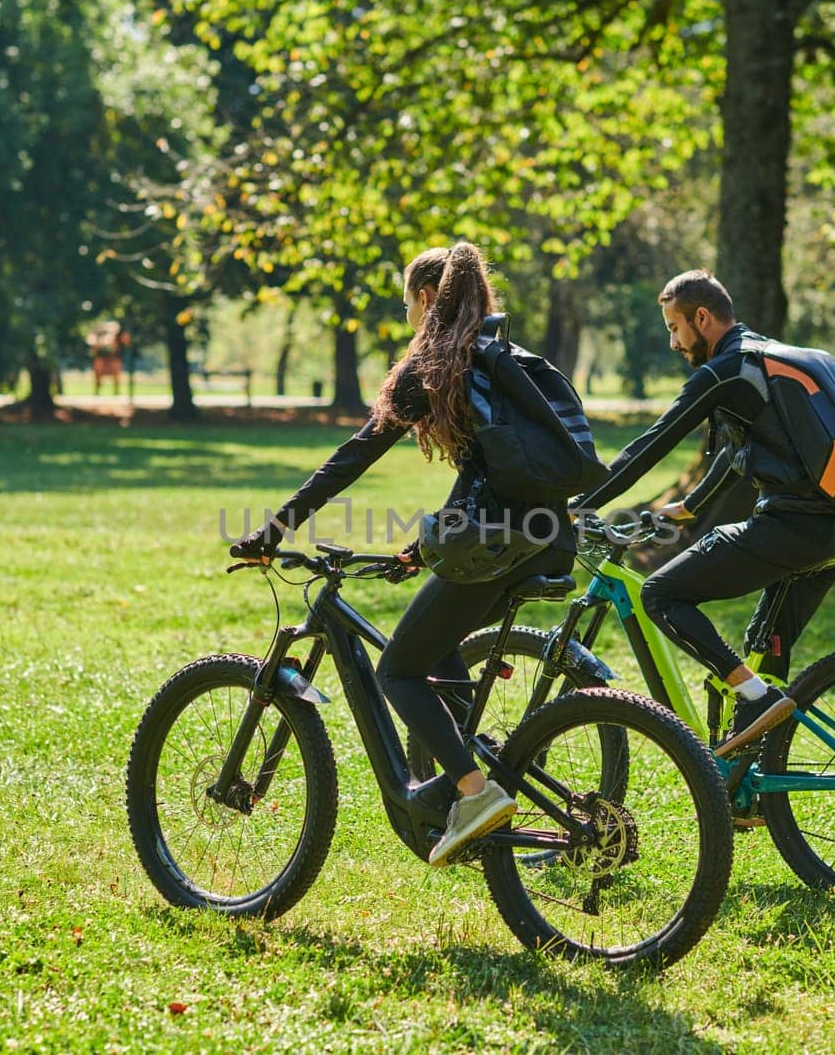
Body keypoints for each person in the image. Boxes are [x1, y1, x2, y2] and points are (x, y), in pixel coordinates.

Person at [231, 243, 576, 865]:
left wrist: (277, 527)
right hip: (551, 538)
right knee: (438, 646)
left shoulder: (439, 366)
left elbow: (355, 454)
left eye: (409, 306)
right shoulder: (507, 359)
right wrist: (424, 546)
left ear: (425, 301)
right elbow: (493, 468)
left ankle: (474, 791)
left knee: (396, 670)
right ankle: (474, 778)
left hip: (501, 541)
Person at [571, 270, 835, 759]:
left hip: (792, 526)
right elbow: (739, 449)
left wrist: (579, 505)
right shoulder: (763, 359)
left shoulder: (724, 370)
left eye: (674, 327)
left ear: (701, 317)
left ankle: (754, 697)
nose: (673, 342)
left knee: (661, 594)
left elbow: (651, 445)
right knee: (764, 646)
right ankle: (751, 780)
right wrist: (692, 505)